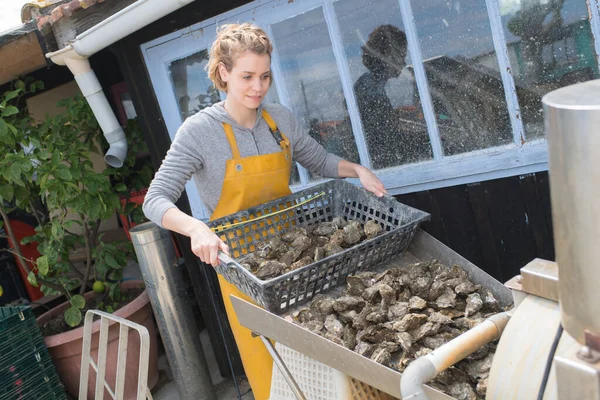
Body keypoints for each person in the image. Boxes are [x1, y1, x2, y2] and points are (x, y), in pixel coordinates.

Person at [142, 23, 386, 399]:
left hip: (299, 260)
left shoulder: (279, 119)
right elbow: (155, 199)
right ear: (223, 73)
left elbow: (318, 159)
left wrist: (357, 170)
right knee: (272, 368)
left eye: (265, 76)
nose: (258, 87)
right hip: (243, 272)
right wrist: (196, 229)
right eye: (247, 76)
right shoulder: (198, 132)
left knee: (323, 360)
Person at [354, 25, 430, 168]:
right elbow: (384, 141)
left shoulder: (371, 84)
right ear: (387, 55)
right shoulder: (371, 89)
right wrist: (424, 139)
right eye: (401, 56)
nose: (403, 62)